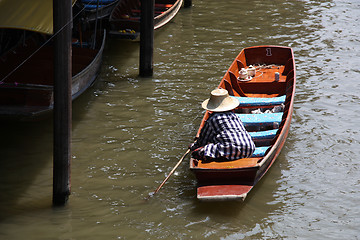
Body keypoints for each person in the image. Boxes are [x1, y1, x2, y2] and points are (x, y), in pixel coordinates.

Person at [189, 88, 255, 161]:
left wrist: (193, 147)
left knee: (198, 152)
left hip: (230, 149)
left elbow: (202, 141)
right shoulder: (234, 116)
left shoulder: (212, 119)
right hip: (250, 148)